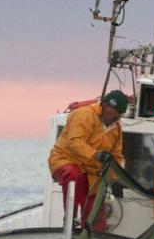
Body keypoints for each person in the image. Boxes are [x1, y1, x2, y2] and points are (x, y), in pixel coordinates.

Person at [48, 90, 127, 231]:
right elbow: (75, 142)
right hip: (65, 159)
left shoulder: (116, 129)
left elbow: (117, 156)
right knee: (74, 176)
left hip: (92, 173)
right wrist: (97, 155)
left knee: (96, 216)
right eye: (110, 110)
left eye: (116, 113)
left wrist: (116, 178)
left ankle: (92, 238)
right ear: (103, 105)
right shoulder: (84, 114)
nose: (113, 115)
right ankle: (69, 220)